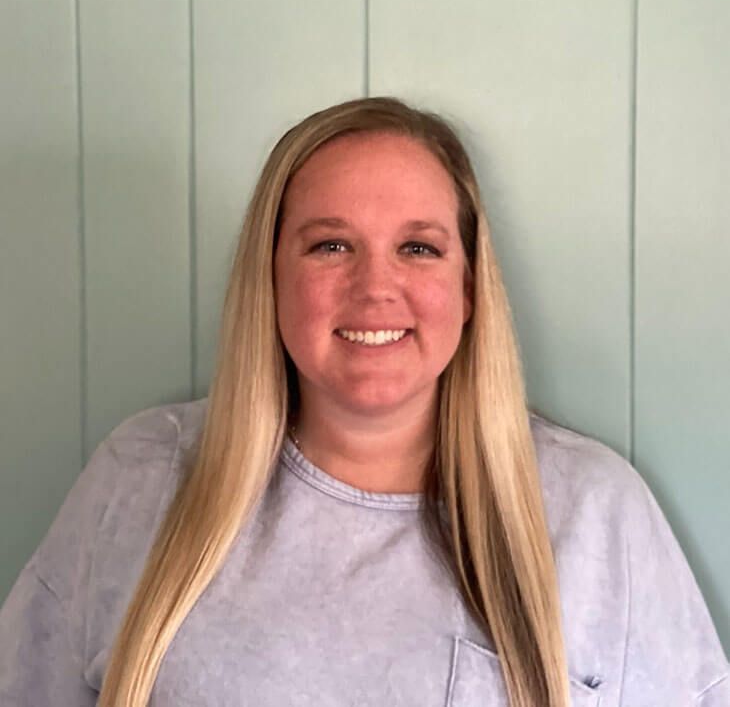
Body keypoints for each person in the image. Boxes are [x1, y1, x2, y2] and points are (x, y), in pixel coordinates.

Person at [0, 97, 727, 707]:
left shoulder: (597, 512)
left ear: (470, 287)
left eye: (419, 248)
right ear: (271, 278)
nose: (376, 290)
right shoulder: (143, 479)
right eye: (330, 247)